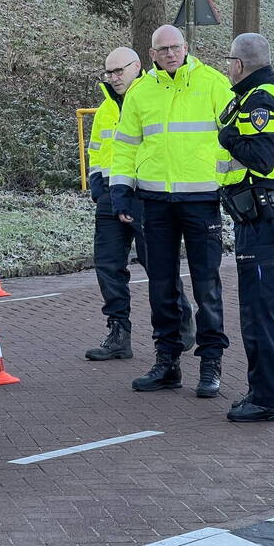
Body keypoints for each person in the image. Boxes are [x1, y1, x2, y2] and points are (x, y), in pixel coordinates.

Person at [110, 25, 232, 397]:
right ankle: (167, 362)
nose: (170, 54)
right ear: (151, 55)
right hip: (155, 201)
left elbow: (232, 139)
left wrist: (227, 186)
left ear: (186, 47)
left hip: (201, 201)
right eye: (162, 49)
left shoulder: (213, 83)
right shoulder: (141, 92)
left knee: (206, 285)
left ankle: (210, 363)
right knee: (161, 286)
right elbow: (126, 146)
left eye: (175, 47)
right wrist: (121, 191)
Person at [86, 47, 195, 360]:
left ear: (137, 67)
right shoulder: (107, 107)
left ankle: (180, 315)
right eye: (109, 72)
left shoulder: (154, 97)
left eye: (120, 71)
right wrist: (98, 185)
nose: (114, 78)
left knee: (157, 263)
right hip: (110, 195)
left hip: (147, 195)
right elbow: (97, 150)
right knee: (108, 265)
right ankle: (118, 332)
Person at [216, 33, 274, 422]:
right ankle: (262, 392)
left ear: (239, 64)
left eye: (229, 62)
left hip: (263, 214)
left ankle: (266, 399)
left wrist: (228, 136)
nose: (227, 68)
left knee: (258, 311)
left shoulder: (260, 99)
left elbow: (262, 159)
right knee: (263, 308)